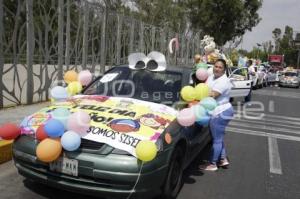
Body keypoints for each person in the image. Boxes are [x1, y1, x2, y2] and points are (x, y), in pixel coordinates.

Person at [200, 59, 234, 171]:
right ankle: (223, 159)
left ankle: (213, 164)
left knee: (216, 140)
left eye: (220, 67)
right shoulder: (212, 77)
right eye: (216, 66)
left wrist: (199, 93)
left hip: (221, 112)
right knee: (218, 137)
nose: (217, 69)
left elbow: (213, 95)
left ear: (224, 70)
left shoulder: (224, 81)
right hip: (217, 111)